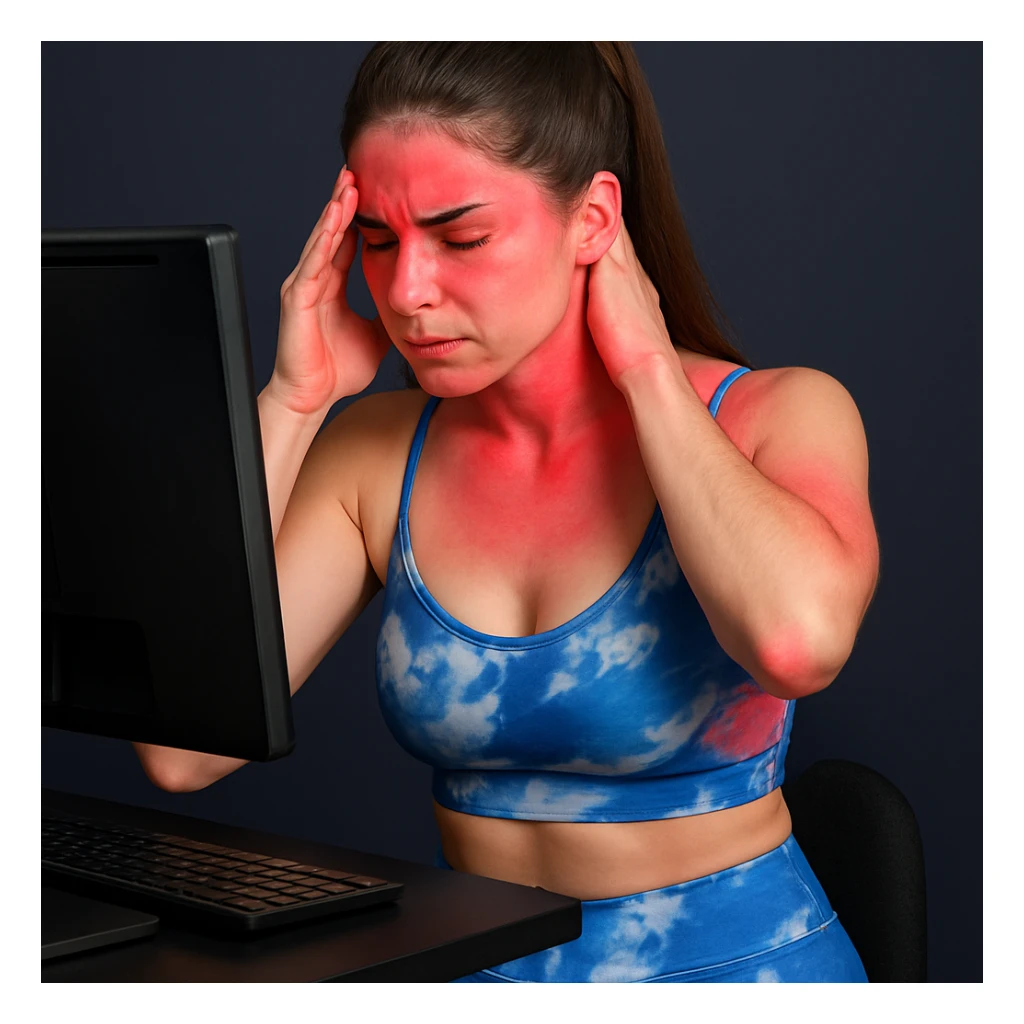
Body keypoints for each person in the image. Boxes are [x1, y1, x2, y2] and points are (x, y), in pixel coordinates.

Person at [134, 42, 880, 983]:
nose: (408, 292)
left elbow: (797, 646)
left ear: (592, 219)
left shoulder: (776, 414)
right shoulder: (376, 455)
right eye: (379, 240)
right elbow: (180, 752)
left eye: (461, 238)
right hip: (480, 971)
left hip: (742, 975)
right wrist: (292, 402)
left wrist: (648, 369)